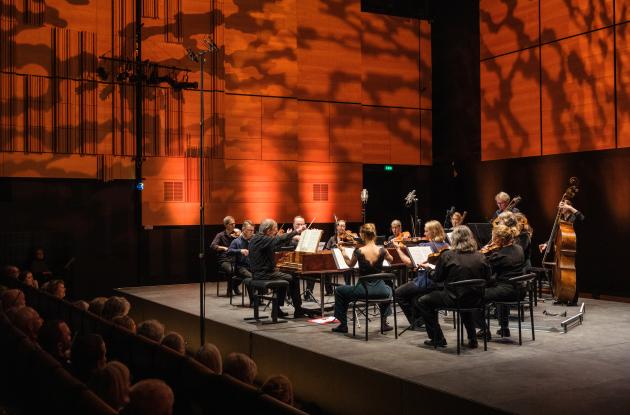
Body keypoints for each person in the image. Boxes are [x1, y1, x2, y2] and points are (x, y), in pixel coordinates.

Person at [416, 226, 491, 348]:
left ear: (454, 239)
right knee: (465, 297)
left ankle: (437, 338)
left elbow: (437, 278)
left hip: (454, 299)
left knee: (423, 301)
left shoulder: (448, 255)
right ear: (470, 238)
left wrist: (429, 270)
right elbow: (488, 278)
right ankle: (472, 339)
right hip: (477, 300)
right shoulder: (481, 256)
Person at [332, 223, 411, 333]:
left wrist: (343, 252)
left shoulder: (358, 251)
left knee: (339, 291)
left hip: (363, 291)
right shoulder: (382, 250)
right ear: (374, 235)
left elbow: (350, 264)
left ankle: (343, 325)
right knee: (388, 289)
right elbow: (391, 259)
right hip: (381, 291)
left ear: (362, 235)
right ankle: (383, 323)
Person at [248, 218, 313, 319]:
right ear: (268, 230)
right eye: (275, 229)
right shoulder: (262, 239)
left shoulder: (257, 238)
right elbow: (278, 240)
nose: (276, 232)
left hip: (260, 272)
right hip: (264, 274)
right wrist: (297, 231)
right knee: (293, 277)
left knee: (285, 275)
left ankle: (277, 308)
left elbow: (277, 246)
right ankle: (297, 309)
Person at [396, 220, 450, 329]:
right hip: (442, 283)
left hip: (426, 282)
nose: (424, 234)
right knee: (413, 295)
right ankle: (422, 317)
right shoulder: (447, 246)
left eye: (426, 231)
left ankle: (417, 321)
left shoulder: (425, 246)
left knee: (398, 293)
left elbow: (409, 264)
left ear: (433, 232)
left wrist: (398, 250)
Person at [476, 224, 525, 339]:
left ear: (499, 239)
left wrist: (482, 254)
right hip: (520, 289)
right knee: (498, 288)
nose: (492, 240)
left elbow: (485, 271)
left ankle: (484, 329)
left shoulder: (500, 255)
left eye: (493, 237)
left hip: (508, 291)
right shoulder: (519, 248)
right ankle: (504, 328)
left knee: (475, 295)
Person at [539, 200, 584, 305]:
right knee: (560, 275)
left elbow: (582, 218)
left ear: (569, 206)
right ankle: (562, 296)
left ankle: (573, 298)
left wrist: (570, 208)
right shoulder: (561, 220)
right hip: (563, 250)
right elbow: (555, 235)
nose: (560, 208)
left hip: (574, 249)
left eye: (563, 206)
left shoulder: (574, 217)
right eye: (559, 206)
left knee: (573, 276)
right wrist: (546, 244)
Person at [211, 216, 238, 295]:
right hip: (224, 260)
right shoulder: (220, 235)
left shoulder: (236, 235)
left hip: (235, 259)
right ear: (226, 225)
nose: (234, 225)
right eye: (231, 224)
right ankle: (229, 289)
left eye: (234, 224)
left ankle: (235, 286)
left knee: (245, 269)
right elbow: (213, 246)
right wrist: (223, 248)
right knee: (231, 270)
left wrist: (240, 236)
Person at [227, 220, 255, 299]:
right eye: (250, 230)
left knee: (261, 275)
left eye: (253, 230)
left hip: (252, 266)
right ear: (243, 230)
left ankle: (259, 298)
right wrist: (240, 251)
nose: (252, 232)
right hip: (241, 267)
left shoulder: (254, 240)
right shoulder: (236, 241)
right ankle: (254, 301)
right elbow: (229, 251)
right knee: (251, 277)